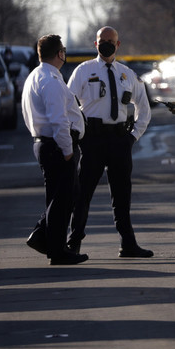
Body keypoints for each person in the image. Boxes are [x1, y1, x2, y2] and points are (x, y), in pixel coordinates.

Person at [66, 26, 154, 258]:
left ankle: (128, 243)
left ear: (118, 44)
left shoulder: (127, 74)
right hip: (92, 140)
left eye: (110, 41)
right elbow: (68, 104)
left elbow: (143, 107)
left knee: (122, 194)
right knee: (83, 193)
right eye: (102, 41)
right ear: (95, 44)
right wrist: (78, 134)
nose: (106, 44)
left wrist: (133, 137)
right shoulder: (83, 71)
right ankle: (73, 242)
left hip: (119, 140)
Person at [22, 35, 88, 265]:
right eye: (64, 50)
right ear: (60, 53)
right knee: (63, 199)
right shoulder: (49, 80)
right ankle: (57, 250)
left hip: (46, 143)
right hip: (57, 145)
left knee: (61, 196)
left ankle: (43, 236)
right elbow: (58, 120)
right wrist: (67, 150)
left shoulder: (36, 76)